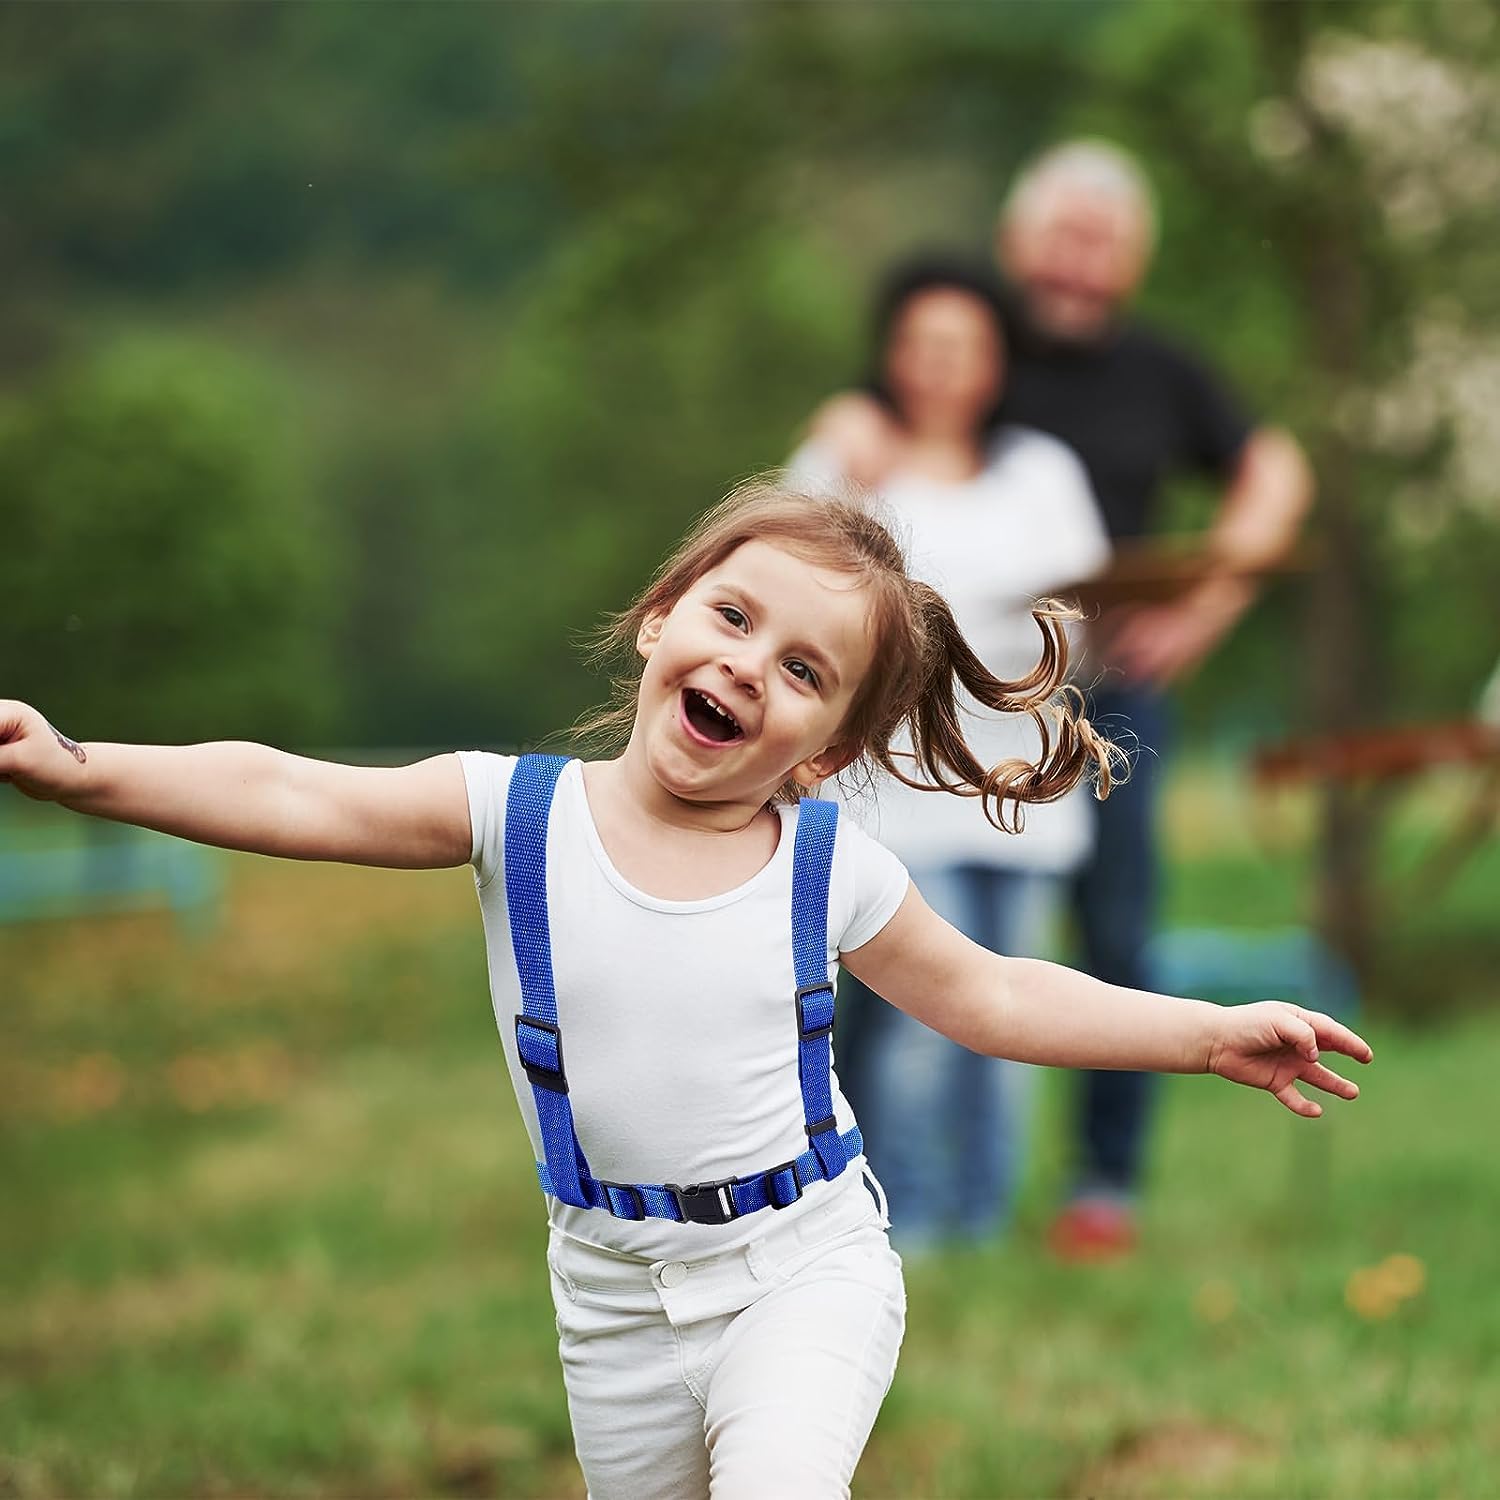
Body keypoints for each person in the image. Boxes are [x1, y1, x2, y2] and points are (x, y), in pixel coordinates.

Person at [0, 477, 1364, 1500]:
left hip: (801, 1267)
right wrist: (81, 764)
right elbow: (291, 785)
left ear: (825, 753)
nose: (746, 668)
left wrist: (1205, 1034)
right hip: (609, 1291)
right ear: (660, 622)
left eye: (802, 672)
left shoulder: (822, 867)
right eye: (730, 617)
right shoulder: (511, 815)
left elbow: (994, 997)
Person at [802, 141, 1316, 1259]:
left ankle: (1098, 1187)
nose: (1081, 262)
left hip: (1096, 706)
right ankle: (868, 1195)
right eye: (1063, 235)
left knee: (1112, 934)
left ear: (1133, 260)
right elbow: (880, 408)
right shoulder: (970, 344)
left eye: (1105, 241)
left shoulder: (1160, 371)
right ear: (1016, 242)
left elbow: (1275, 472)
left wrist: (1208, 602)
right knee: (896, 970)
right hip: (920, 732)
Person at [791, 259, 1111, 1250]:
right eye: (921, 343)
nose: (940, 366)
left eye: (962, 345)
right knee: (924, 1027)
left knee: (1018, 1029)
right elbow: (796, 602)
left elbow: (1085, 619)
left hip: (1023, 797)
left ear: (995, 361)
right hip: (893, 795)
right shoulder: (843, 466)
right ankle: (905, 1226)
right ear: (891, 354)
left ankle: (983, 1223)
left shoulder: (1042, 473)